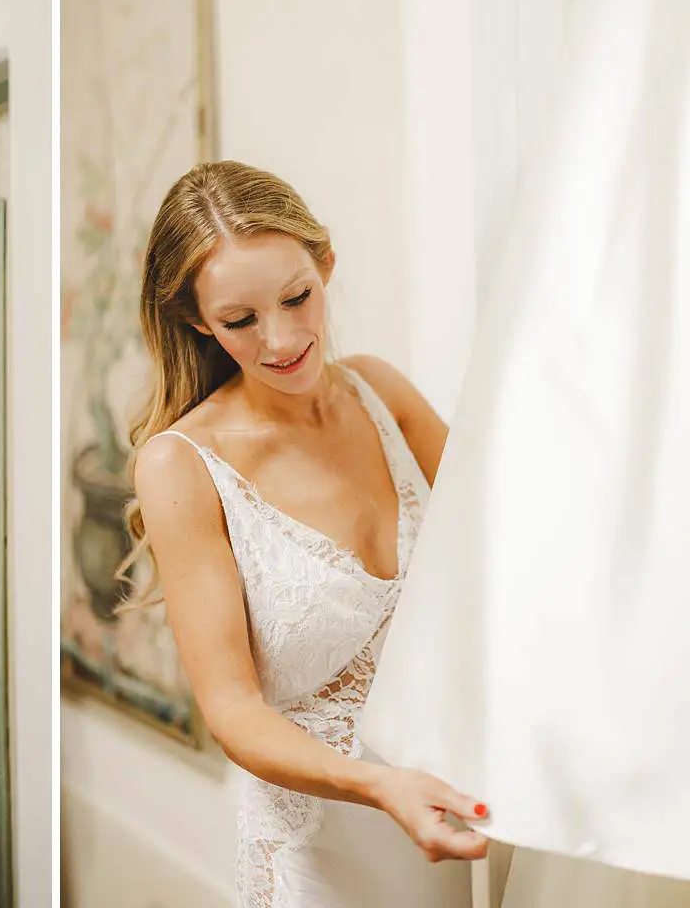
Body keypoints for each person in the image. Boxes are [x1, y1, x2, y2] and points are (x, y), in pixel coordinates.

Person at [123, 160, 486, 907]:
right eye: (240, 319)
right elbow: (231, 708)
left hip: (457, 809)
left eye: (297, 297)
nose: (283, 338)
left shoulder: (381, 392)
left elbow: (502, 548)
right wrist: (382, 786)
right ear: (196, 319)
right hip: (328, 850)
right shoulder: (181, 466)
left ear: (324, 262)